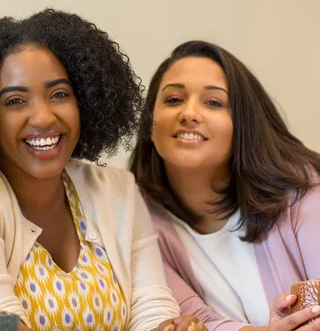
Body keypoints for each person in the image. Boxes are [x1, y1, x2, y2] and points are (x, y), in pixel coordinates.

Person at [0, 9, 199, 331]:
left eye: (59, 95)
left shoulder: (117, 189)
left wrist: (171, 327)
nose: (43, 117)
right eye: (15, 101)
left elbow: (151, 310)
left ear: (85, 102)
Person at [129, 40, 320, 331]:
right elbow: (191, 322)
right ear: (150, 128)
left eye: (214, 103)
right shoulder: (135, 218)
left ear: (243, 125)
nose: (189, 114)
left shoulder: (302, 190)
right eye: (173, 100)